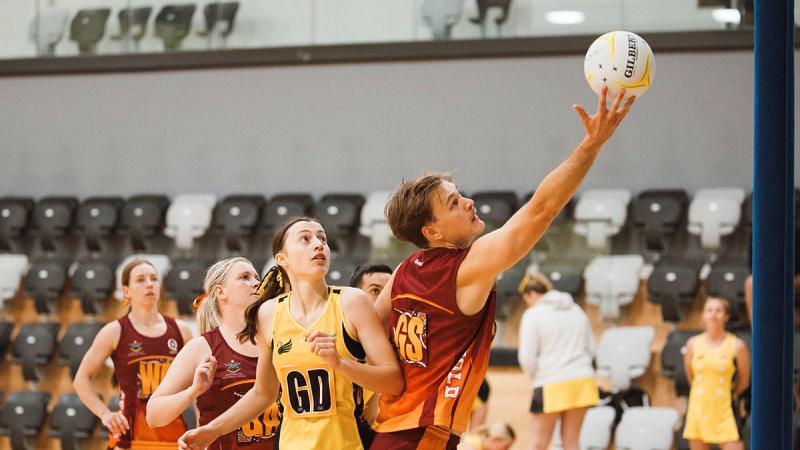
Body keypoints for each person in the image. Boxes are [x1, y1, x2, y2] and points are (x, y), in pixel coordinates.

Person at [371, 86, 634, 449]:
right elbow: (541, 210)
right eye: (454, 202)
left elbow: (366, 327)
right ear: (432, 231)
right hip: (423, 433)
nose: (468, 202)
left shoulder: (404, 271)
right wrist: (591, 145)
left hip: (392, 427)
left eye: (460, 194)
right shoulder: (465, 268)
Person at [178, 217, 404, 450]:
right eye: (305, 239)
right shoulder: (269, 313)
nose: (318, 244)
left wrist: (340, 363)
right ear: (281, 258)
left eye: (322, 239)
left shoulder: (351, 301)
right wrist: (212, 431)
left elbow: (393, 381)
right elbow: (263, 394)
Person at [146, 257, 280, 449]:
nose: (256, 282)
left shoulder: (277, 339)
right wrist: (193, 391)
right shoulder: (202, 347)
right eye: (244, 277)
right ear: (221, 291)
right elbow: (154, 415)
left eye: (256, 277)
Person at [74, 258, 194, 449]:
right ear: (126, 291)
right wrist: (105, 414)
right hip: (129, 438)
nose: (149, 284)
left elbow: (199, 385)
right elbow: (81, 379)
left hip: (173, 437)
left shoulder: (181, 330)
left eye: (154, 278)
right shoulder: (114, 331)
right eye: (140, 279)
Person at [516, 273, 597, 450]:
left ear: (530, 295)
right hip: (582, 380)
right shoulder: (576, 310)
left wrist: (537, 376)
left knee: (538, 443)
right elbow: (591, 348)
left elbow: (526, 358)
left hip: (551, 382)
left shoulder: (533, 314)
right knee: (571, 442)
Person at [683, 296, 751, 450]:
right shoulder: (692, 344)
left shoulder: (738, 346)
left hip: (725, 410)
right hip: (698, 409)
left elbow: (744, 381)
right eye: (709, 310)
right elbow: (691, 377)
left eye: (718, 311)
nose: (713, 314)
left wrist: (729, 394)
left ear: (726, 317)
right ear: (703, 316)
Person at [348, 262, 395, 437]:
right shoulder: (341, 345)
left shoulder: (404, 350)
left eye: (391, 292)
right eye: (375, 291)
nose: (386, 298)